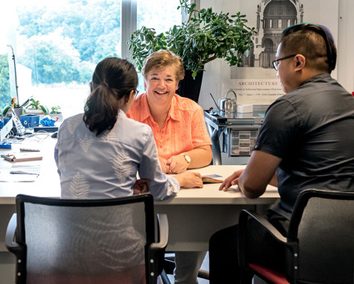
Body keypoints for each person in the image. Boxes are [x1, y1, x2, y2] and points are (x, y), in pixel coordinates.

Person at [208, 23, 354, 283]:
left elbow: (252, 188)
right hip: (347, 244)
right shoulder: (349, 103)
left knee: (224, 243)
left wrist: (248, 176)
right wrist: (267, 175)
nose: (277, 73)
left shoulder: (288, 106)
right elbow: (317, 172)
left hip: (299, 242)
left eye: (277, 64)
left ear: (298, 62)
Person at [55, 57, 203, 200]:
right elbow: (159, 190)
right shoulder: (140, 133)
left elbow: (66, 174)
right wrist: (180, 180)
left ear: (91, 87)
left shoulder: (66, 127)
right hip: (119, 225)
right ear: (132, 95)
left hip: (70, 224)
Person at [127, 50, 212, 284]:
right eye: (154, 77)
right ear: (145, 81)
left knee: (193, 231)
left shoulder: (191, 110)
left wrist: (185, 159)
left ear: (177, 83)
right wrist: (155, 165)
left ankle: (185, 278)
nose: (161, 85)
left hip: (184, 198)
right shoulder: (129, 109)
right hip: (142, 197)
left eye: (168, 79)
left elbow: (205, 153)